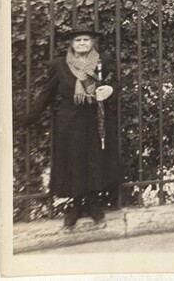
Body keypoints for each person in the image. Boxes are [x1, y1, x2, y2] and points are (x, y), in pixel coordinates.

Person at [15, 28, 121, 228]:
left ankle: (93, 205)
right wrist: (31, 116)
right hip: (71, 120)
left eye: (86, 40)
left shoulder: (103, 61)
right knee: (74, 161)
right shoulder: (60, 65)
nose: (82, 43)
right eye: (78, 40)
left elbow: (115, 84)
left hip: (96, 118)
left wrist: (110, 90)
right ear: (71, 44)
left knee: (95, 160)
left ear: (92, 43)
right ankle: (76, 205)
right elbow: (47, 92)